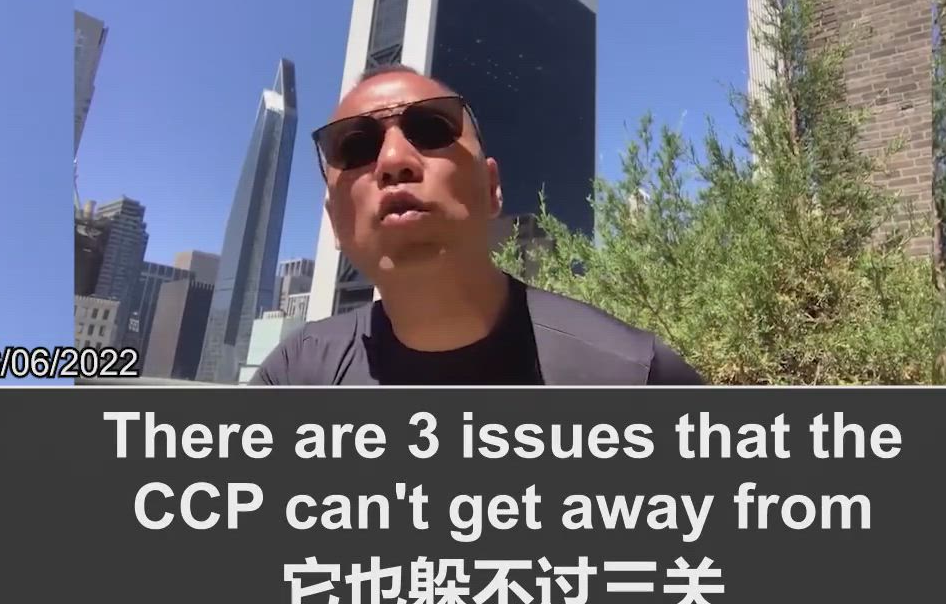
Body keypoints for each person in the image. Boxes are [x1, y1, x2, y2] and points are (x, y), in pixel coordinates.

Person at [252, 65, 704, 386]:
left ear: (491, 189)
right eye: (355, 147)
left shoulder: (635, 376)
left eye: (431, 130)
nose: (393, 160)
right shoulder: (296, 375)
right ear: (335, 221)